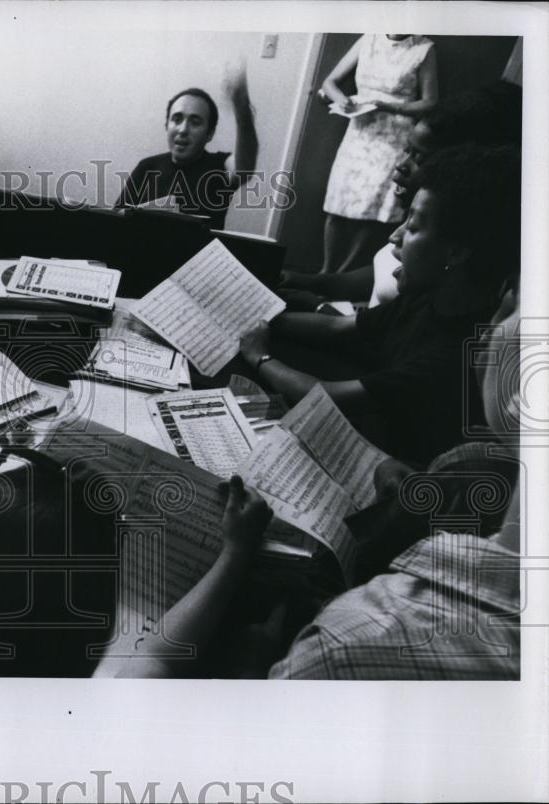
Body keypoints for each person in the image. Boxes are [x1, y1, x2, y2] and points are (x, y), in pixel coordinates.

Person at [101, 284, 523, 681]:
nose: (494, 318)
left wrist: (255, 665)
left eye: (514, 305)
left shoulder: (351, 643)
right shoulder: (478, 460)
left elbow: (149, 667)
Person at [239, 144, 520, 467]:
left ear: (455, 254)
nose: (394, 237)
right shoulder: (427, 299)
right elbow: (337, 327)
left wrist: (260, 356)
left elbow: (326, 396)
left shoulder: (454, 353)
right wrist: (260, 316)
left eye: (412, 227)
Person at [280, 81, 522, 309]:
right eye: (407, 150)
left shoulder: (450, 255)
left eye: (419, 157)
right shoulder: (422, 216)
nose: (401, 165)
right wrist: (308, 281)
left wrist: (318, 305)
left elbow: (381, 332)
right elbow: (383, 273)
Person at [320, 34, 437, 274]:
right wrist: (343, 101)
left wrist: (387, 105)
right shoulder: (368, 39)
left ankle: (342, 273)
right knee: (337, 204)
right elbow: (329, 83)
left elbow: (430, 102)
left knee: (373, 210)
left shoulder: (424, 49)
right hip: (359, 132)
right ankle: (326, 269)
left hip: (394, 138)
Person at [115, 61, 258, 230]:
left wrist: (241, 108)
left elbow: (244, 168)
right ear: (166, 126)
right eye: (176, 119)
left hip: (202, 256)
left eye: (195, 122)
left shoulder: (220, 166)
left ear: (210, 133)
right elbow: (115, 223)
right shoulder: (147, 167)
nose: (183, 130)